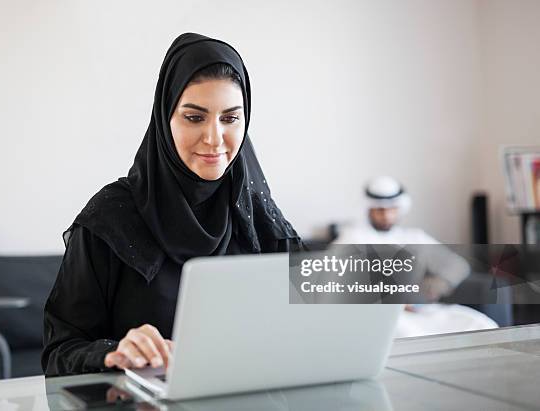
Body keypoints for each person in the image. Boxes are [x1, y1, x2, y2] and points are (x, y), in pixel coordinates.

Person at [41, 33, 302, 377]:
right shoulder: (110, 218)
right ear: (165, 119)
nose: (214, 138)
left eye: (230, 118)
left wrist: (388, 279)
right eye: (195, 117)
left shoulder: (255, 212)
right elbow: (60, 351)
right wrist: (113, 352)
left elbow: (318, 301)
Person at [335, 176, 497, 337]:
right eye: (380, 210)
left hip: (420, 310)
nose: (386, 216)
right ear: (369, 209)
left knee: (479, 324)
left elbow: (457, 266)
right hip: (379, 315)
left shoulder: (414, 237)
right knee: (407, 334)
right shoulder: (353, 238)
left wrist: (428, 290)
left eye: (392, 209)